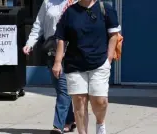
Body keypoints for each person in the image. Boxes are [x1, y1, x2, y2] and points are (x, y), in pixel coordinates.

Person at [52, 0, 121, 134]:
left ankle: (100, 124)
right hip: (75, 63)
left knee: (100, 101)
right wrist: (57, 62)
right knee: (79, 101)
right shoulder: (70, 12)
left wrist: (109, 58)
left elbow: (114, 35)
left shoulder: (105, 9)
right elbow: (61, 38)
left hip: (99, 62)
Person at [22, 0, 76, 133]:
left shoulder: (75, 2)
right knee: (61, 88)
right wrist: (30, 43)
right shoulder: (48, 2)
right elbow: (39, 24)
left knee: (63, 88)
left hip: (71, 51)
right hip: (52, 49)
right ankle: (70, 120)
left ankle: (58, 126)